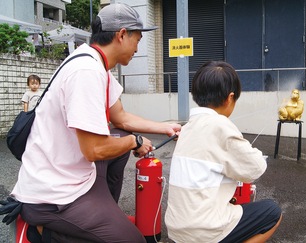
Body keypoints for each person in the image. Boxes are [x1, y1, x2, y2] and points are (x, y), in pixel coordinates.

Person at [5, 3, 181, 243]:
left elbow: (120, 117)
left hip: (73, 172)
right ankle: (45, 231)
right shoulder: (86, 71)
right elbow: (94, 149)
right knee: (133, 241)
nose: (138, 48)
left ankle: (102, 214)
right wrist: (134, 141)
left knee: (119, 133)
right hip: (53, 195)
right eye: (137, 40)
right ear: (121, 35)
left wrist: (165, 127)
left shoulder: (95, 62)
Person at [165, 61, 282, 243]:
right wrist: (257, 154)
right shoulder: (221, 125)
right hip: (202, 231)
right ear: (230, 98)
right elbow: (255, 169)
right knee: (272, 212)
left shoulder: (187, 127)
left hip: (175, 227)